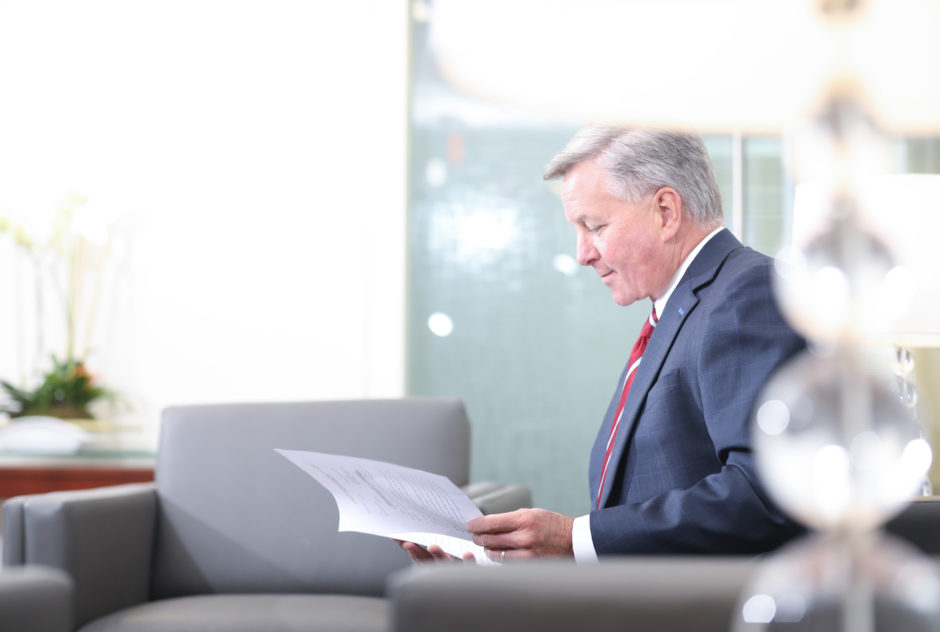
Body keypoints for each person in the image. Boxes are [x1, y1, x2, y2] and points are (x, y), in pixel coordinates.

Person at [400, 125, 805, 564]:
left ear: (666, 212)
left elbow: (764, 493)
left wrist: (575, 540)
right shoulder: (681, 309)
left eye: (594, 226)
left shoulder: (747, 293)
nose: (582, 254)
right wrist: (496, 562)